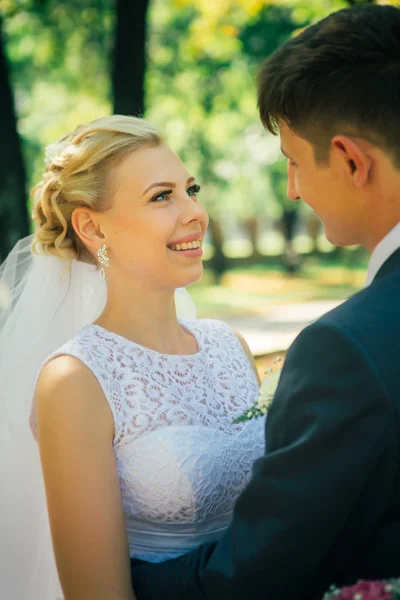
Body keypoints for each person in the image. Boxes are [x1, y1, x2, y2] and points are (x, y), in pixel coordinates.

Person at [130, 4, 400, 600]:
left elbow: (255, 577)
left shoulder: (347, 348)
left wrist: (102, 579)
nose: (294, 189)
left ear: (353, 160)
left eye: (295, 162)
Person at [0, 115, 265, 600]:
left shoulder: (230, 345)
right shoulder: (76, 379)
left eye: (192, 189)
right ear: (92, 227)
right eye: (162, 196)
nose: (195, 213)